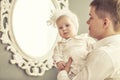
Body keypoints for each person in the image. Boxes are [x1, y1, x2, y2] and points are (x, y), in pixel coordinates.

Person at [64, 0, 120, 80]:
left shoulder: (103, 54)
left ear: (105, 23)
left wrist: (63, 74)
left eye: (91, 17)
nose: (87, 22)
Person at [52, 9, 96, 80]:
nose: (64, 29)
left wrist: (90, 54)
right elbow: (56, 56)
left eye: (67, 25)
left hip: (86, 67)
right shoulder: (60, 45)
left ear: (75, 25)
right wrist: (59, 62)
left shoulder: (84, 38)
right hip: (71, 72)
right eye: (60, 27)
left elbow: (94, 48)